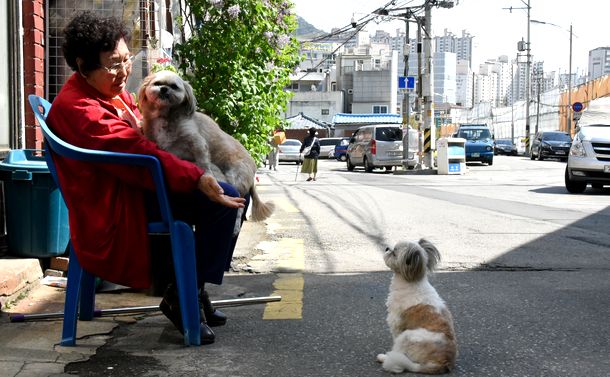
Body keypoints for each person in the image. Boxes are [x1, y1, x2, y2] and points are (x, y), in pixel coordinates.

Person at [46, 11, 247, 345]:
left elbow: (142, 136)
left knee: (238, 190)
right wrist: (197, 177)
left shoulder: (103, 92)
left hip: (131, 186)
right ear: (83, 67)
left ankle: (191, 289)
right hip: (117, 204)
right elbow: (140, 154)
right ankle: (182, 296)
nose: (124, 71)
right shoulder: (83, 110)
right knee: (225, 200)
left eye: (127, 60)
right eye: (113, 64)